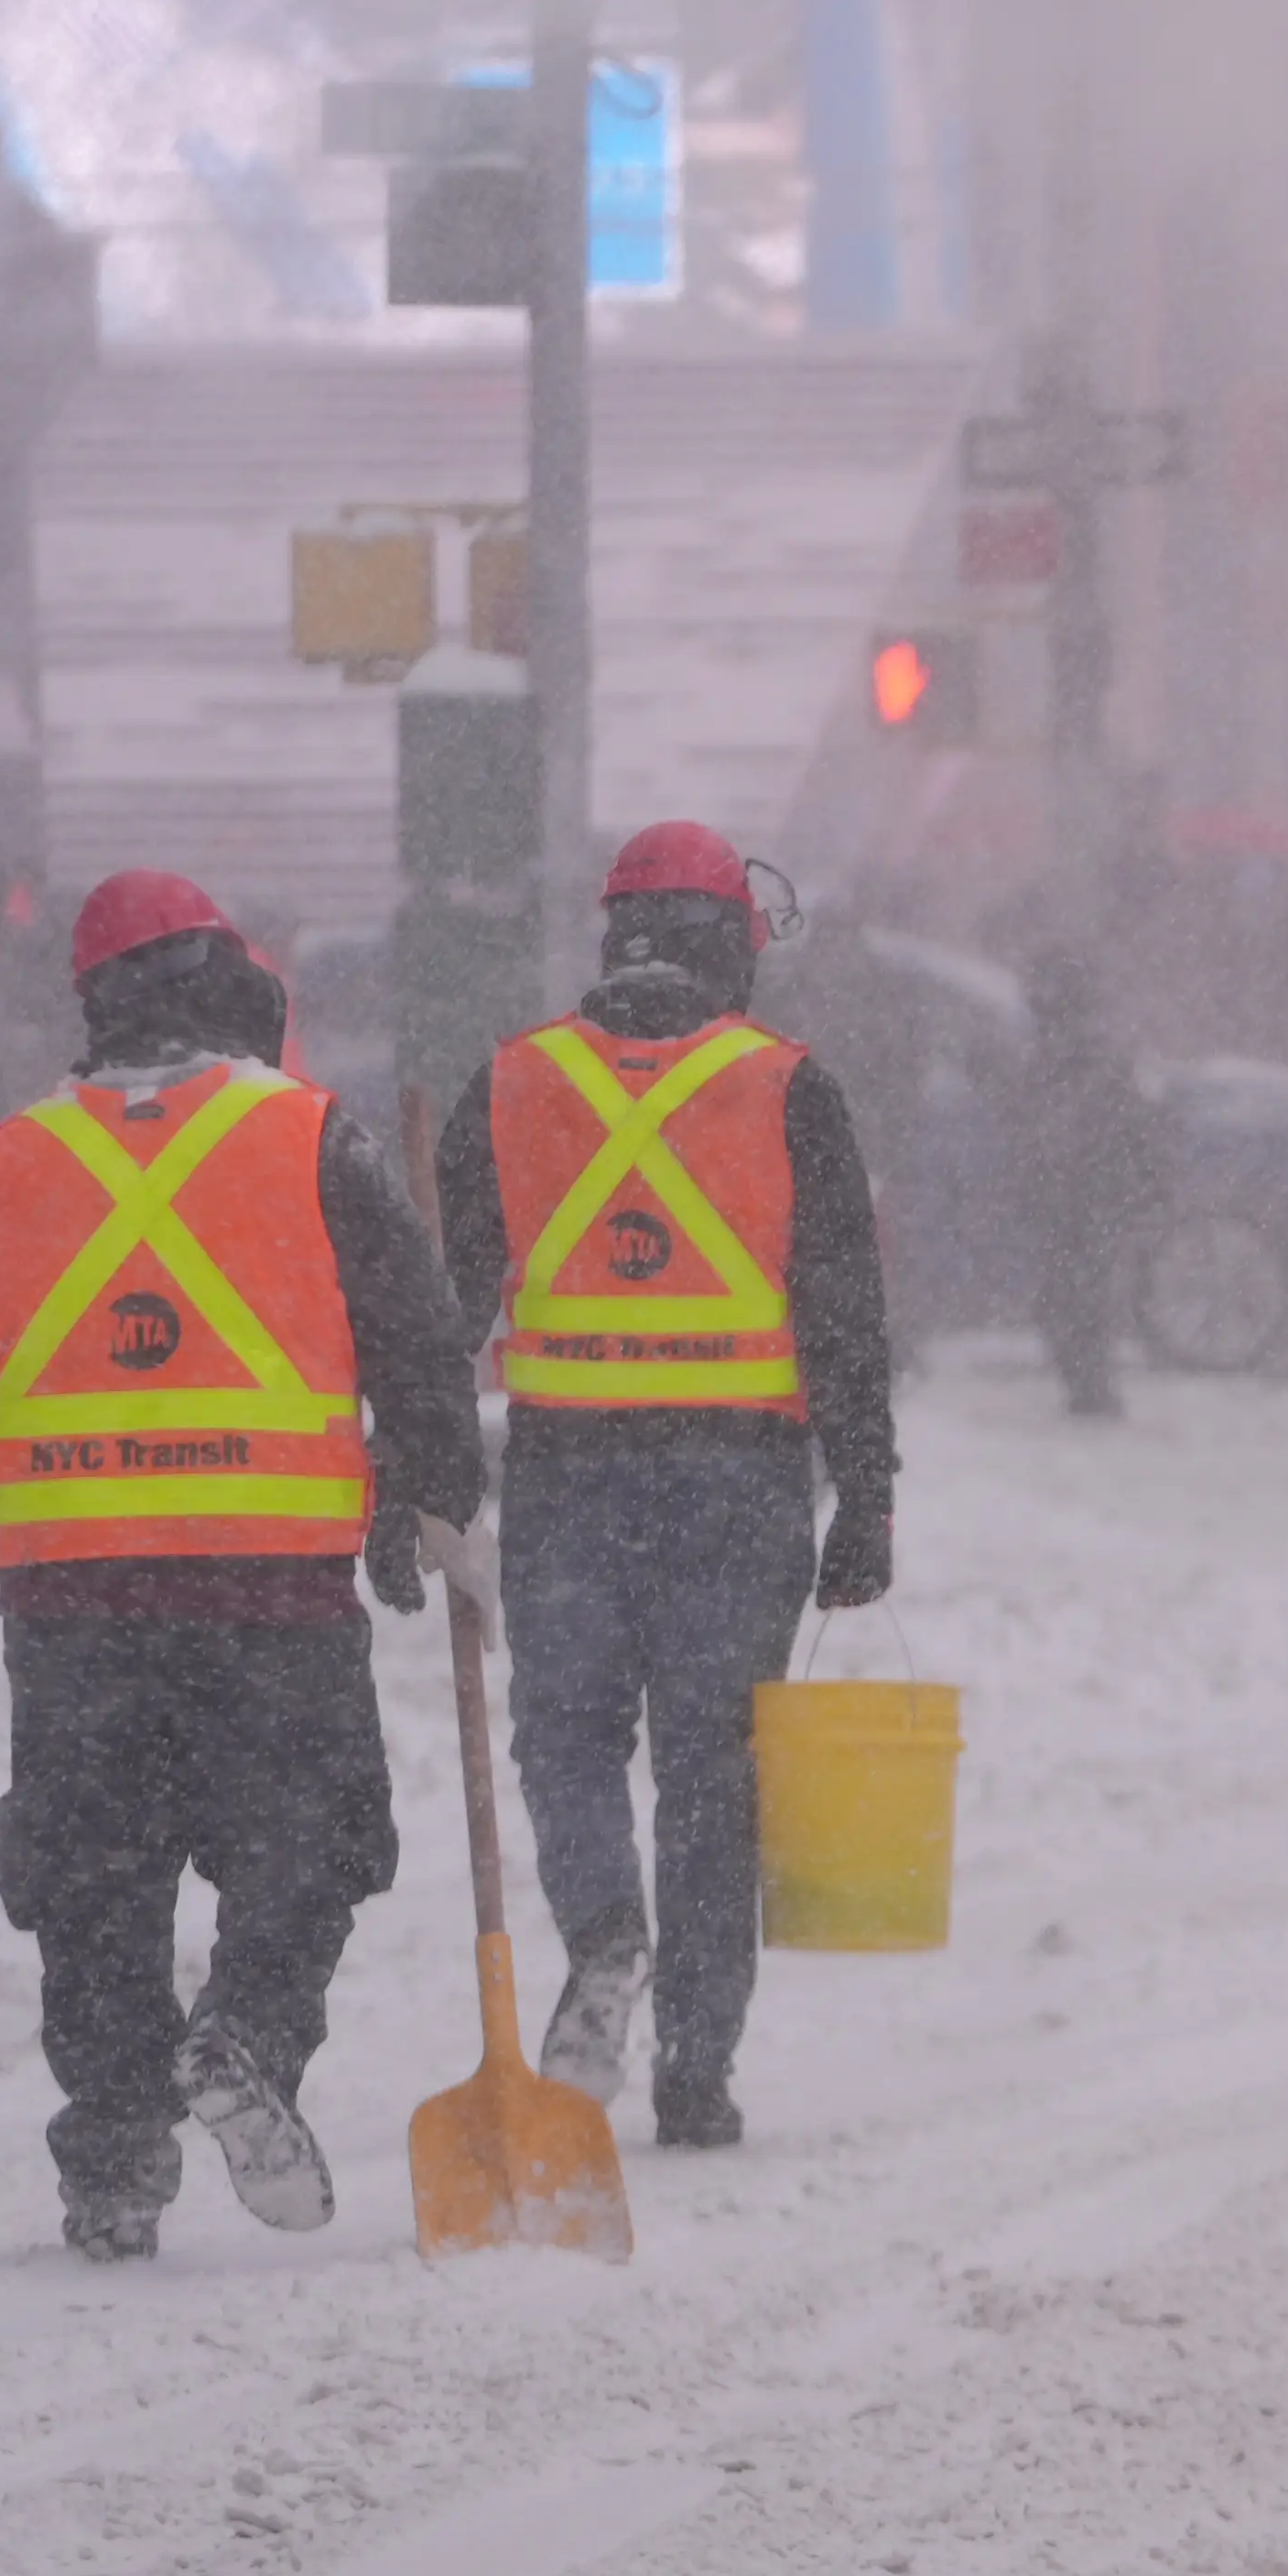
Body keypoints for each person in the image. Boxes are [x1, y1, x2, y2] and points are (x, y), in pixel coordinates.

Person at [0, 871, 489, 2262]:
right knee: (310, 1846)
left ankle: (118, 2155)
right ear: (230, 983)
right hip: (270, 1590)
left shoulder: (7, 1161)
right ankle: (245, 2035)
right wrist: (432, 1492)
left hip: (75, 1601)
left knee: (94, 1882)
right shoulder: (311, 1139)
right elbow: (417, 1334)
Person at [437, 821, 899, 2154]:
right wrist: (867, 1497)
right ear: (732, 947)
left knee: (568, 1738)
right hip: (739, 1481)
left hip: (569, 1471)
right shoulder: (790, 1088)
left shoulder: (513, 1084)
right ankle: (696, 2067)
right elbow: (843, 1316)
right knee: (711, 1772)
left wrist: (410, 1474)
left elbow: (451, 1304)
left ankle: (604, 1933)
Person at [1020, 942, 1146, 1418]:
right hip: (1085, 1188)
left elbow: (1071, 1121)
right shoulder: (1087, 1051)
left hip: (1079, 1187)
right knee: (1076, 1286)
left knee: (1072, 1287)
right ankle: (1087, 1381)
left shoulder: (1073, 1054)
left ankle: (1087, 1382)